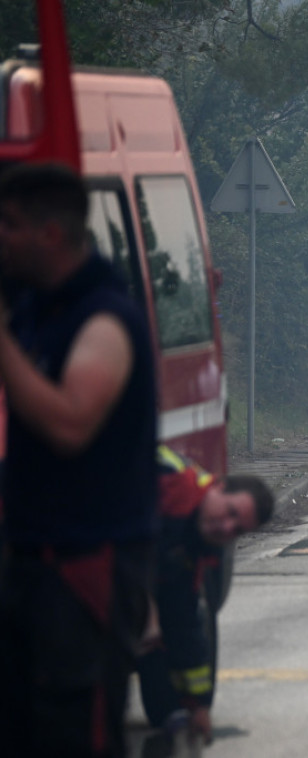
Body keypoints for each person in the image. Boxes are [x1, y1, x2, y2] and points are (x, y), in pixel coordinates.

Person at [0, 163, 158, 757]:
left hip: (88, 564)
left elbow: (70, 422)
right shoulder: (42, 308)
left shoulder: (106, 319)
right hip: (33, 559)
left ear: (51, 234)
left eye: (8, 225)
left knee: (76, 734)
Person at [137, 444, 274, 748]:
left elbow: (183, 623)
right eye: (230, 512)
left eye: (237, 529)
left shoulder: (193, 548)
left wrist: (198, 705)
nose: (225, 527)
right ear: (218, 487)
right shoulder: (167, 482)